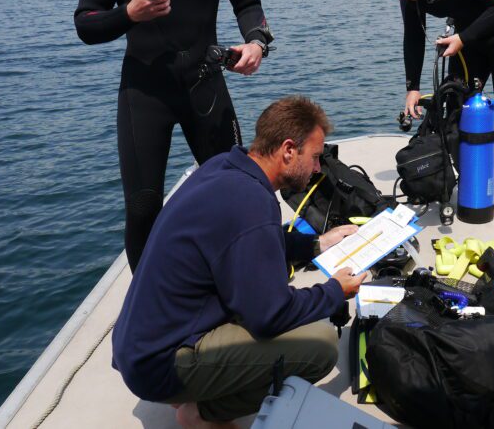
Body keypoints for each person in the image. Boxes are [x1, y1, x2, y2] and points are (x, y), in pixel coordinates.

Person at [74, 0, 273, 271]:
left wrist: (257, 42)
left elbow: (248, 4)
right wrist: (129, 14)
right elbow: (85, 23)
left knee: (237, 189)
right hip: (146, 91)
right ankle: (150, 310)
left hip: (207, 82)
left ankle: (241, 283)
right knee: (144, 208)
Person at [112, 96, 366, 428]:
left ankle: (197, 389)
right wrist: (335, 291)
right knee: (319, 345)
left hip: (141, 347)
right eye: (315, 157)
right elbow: (270, 316)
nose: (319, 168)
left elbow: (251, 242)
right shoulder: (252, 203)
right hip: (161, 366)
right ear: (288, 150)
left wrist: (317, 243)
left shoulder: (224, 168)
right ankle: (202, 414)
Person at [374, 0, 494, 214]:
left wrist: (463, 38)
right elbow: (412, 37)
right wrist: (412, 88)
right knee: (459, 105)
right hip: (468, 39)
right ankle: (467, 175)